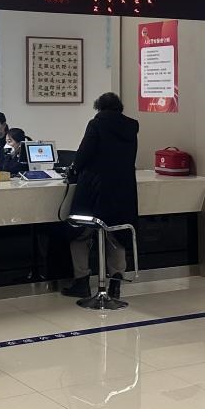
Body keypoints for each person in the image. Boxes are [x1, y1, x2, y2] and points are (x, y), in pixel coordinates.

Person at [62, 92, 139, 300]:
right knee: (116, 235)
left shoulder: (96, 124)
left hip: (95, 190)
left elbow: (83, 154)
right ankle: (115, 285)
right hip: (123, 191)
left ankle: (81, 282)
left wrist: (73, 170)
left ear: (99, 107)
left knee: (79, 232)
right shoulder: (131, 127)